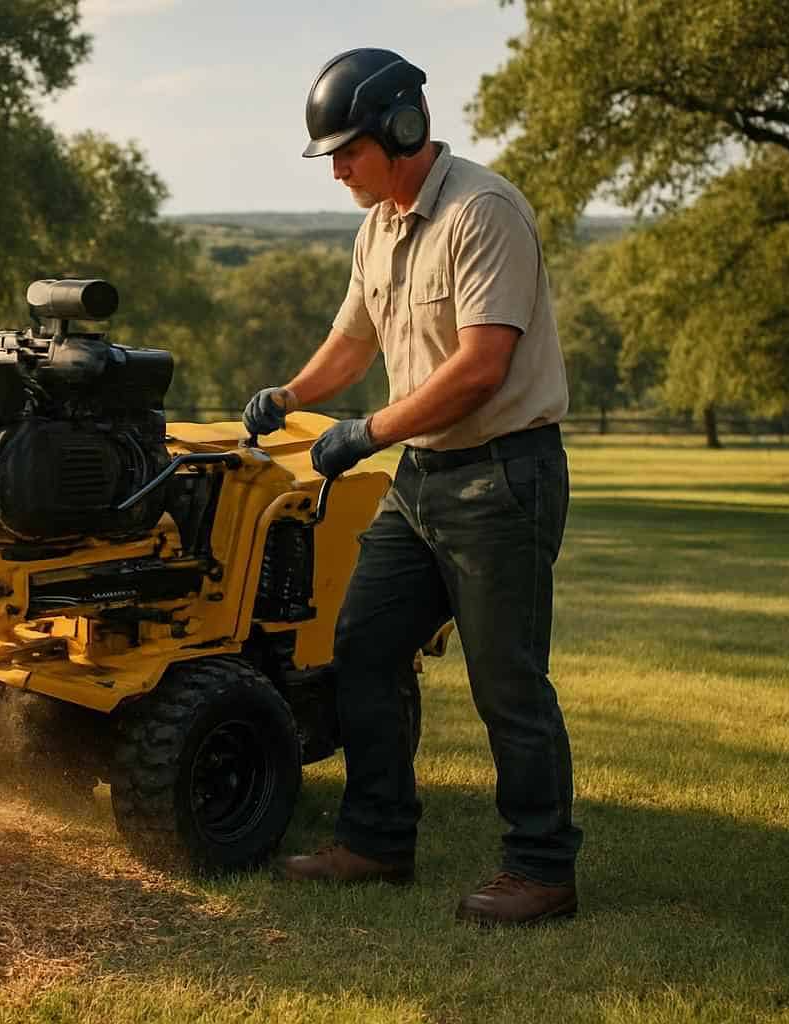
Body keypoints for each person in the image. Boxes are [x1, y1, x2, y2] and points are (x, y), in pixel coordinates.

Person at [242, 47, 581, 926]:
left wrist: (365, 433)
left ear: (400, 128)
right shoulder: (378, 226)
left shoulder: (483, 211)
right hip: (424, 477)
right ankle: (378, 841)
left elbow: (480, 368)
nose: (339, 170)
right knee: (361, 645)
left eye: (348, 151)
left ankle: (542, 869)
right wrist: (290, 395)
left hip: (503, 475)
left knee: (507, 681)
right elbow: (354, 343)